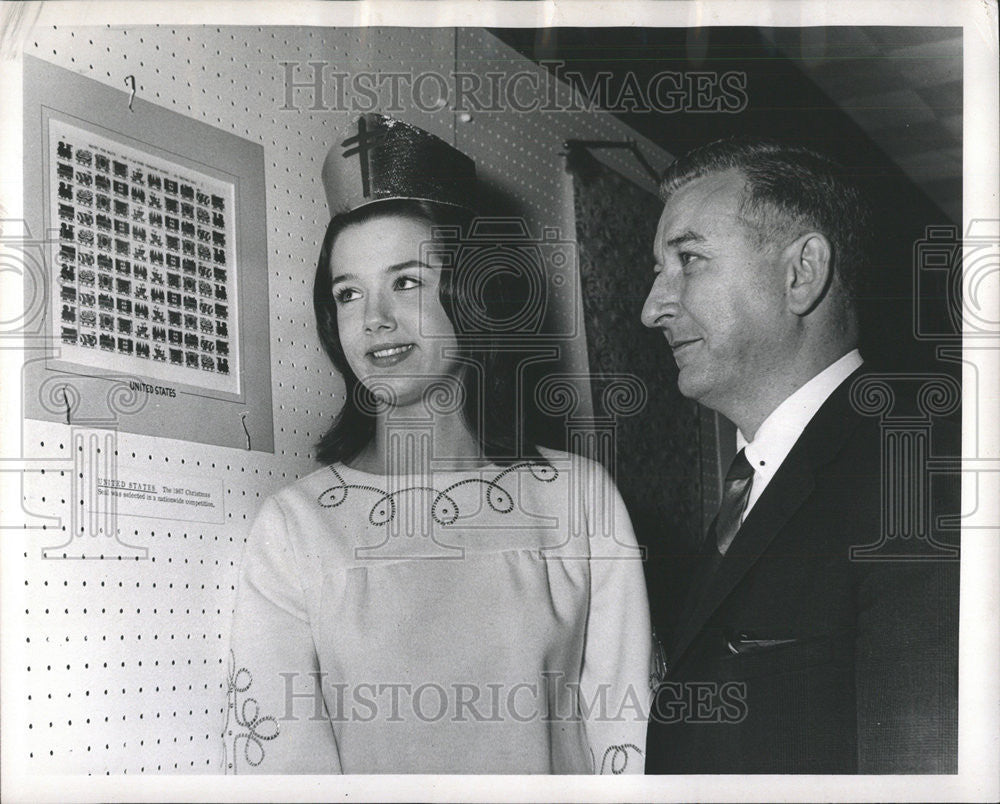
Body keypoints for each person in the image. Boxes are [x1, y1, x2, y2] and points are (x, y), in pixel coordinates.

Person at [224, 114, 652, 774]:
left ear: (472, 290)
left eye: (407, 281)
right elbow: (278, 770)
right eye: (347, 293)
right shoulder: (296, 529)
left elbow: (627, 740)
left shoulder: (580, 501)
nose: (374, 320)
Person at [640, 137, 959, 773]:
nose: (653, 308)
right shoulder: (754, 488)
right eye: (658, 273)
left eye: (690, 260)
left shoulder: (919, 481)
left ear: (800, 273)